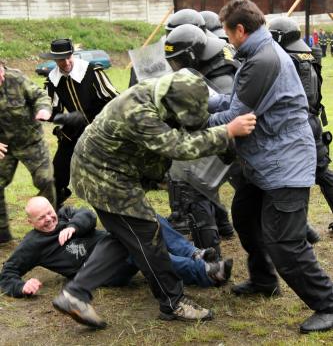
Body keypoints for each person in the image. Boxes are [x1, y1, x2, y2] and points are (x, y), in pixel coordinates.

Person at [52, 71, 256, 327]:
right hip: (104, 179)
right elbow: (176, 145)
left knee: (126, 238)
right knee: (150, 236)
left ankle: (75, 294)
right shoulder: (139, 111)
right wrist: (227, 132)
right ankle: (174, 302)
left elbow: (190, 122)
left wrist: (225, 147)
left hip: (106, 173)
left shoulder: (163, 92)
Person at [208, 0, 333, 334]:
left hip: (284, 163)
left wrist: (196, 122)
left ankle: (328, 303)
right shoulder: (255, 54)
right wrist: (197, 99)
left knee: (285, 243)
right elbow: (232, 100)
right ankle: (264, 280)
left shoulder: (262, 58)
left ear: (239, 30)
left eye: (228, 33)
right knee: (246, 218)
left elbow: (236, 116)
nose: (228, 40)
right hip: (266, 161)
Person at [0, 197, 232, 299]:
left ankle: (193, 253)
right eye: (41, 218)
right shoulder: (32, 245)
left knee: (146, 219)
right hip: (106, 270)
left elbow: (87, 215)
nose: (50, 219)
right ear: (30, 223)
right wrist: (22, 287)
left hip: (113, 244)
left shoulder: (63, 215)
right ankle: (205, 273)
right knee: (138, 250)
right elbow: (7, 274)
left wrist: (73, 227)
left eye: (50, 212)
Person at [164, 23, 240, 252]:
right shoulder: (207, 65)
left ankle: (210, 257)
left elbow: (230, 111)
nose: (175, 67)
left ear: (191, 54)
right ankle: (222, 231)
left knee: (194, 190)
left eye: (177, 61)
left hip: (233, 140)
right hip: (221, 138)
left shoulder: (221, 71)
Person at [269, 17, 333, 232]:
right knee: (321, 172)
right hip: (312, 120)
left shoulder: (291, 59)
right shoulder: (306, 54)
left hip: (301, 123)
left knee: (310, 175)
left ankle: (298, 228)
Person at [40, 39, 118, 208]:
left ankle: (116, 203)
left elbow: (114, 99)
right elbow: (52, 110)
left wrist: (104, 122)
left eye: (69, 57)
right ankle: (51, 205)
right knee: (59, 168)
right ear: (54, 60)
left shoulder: (92, 72)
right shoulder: (53, 80)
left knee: (107, 169)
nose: (66, 62)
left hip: (101, 126)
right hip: (74, 129)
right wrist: (64, 119)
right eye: (61, 59)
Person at [0, 61, 55, 244]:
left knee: (45, 180)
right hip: (4, 145)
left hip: (31, 141)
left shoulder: (16, 78)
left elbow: (40, 96)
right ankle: (3, 235)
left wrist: (43, 110)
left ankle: (49, 229)